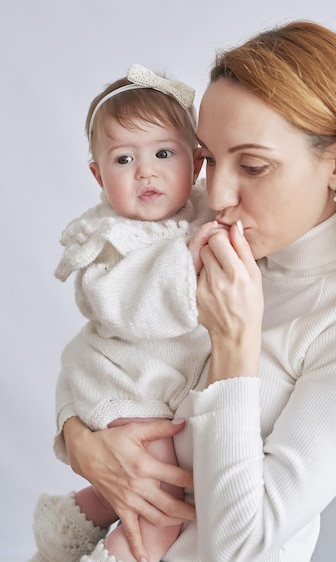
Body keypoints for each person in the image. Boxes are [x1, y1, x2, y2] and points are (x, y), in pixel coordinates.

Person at [34, 20, 336, 562]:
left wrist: (235, 351)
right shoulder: (212, 254)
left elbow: (239, 547)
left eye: (254, 166)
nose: (216, 192)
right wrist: (81, 439)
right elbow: (104, 345)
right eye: (208, 159)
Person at [31, 65, 217, 562]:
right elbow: (126, 308)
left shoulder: (203, 210)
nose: (146, 171)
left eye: (162, 153)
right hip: (127, 389)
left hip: (157, 382)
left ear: (196, 164)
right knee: (159, 509)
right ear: (97, 174)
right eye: (123, 159)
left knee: (131, 487)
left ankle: (74, 519)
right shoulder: (108, 242)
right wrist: (189, 260)